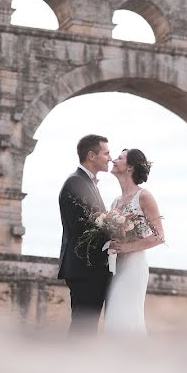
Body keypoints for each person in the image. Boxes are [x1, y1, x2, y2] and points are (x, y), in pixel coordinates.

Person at [102, 149, 166, 334]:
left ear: (130, 167)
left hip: (133, 268)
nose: (113, 160)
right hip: (116, 267)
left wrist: (127, 247)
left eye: (119, 158)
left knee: (125, 318)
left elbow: (160, 236)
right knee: (113, 319)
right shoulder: (115, 202)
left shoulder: (144, 196)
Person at [57, 134, 113, 334]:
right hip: (86, 268)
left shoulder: (84, 182)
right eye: (106, 153)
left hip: (88, 268)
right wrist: (117, 235)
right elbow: (83, 229)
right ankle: (74, 364)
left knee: (85, 327)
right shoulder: (76, 182)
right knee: (84, 327)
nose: (110, 158)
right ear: (91, 155)